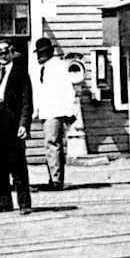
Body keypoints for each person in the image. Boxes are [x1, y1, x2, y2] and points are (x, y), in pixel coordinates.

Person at [0, 41, 33, 214]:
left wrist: (23, 124)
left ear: (12, 52)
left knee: (18, 164)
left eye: (5, 52)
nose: (2, 55)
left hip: (13, 122)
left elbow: (27, 101)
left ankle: (24, 204)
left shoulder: (20, 73)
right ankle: (4, 202)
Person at [33, 37, 77, 191]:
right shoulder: (42, 68)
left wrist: (68, 112)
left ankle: (56, 180)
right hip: (46, 111)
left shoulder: (59, 67)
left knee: (53, 144)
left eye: (43, 52)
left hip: (56, 111)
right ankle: (53, 177)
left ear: (50, 52)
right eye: (39, 53)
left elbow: (68, 90)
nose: (40, 56)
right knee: (51, 145)